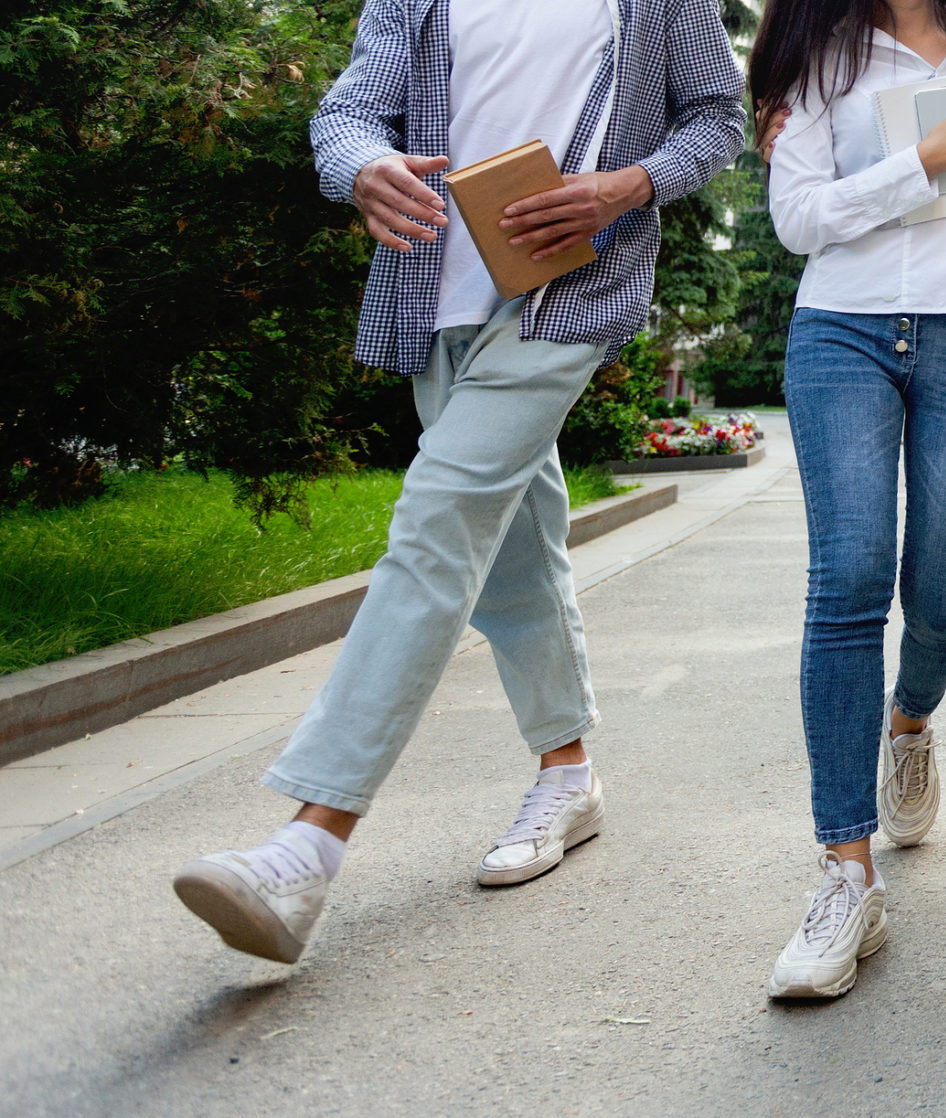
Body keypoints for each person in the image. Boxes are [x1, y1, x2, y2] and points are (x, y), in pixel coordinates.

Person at [169, 0, 745, 966]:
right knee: (514, 542)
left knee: (436, 529)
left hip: (571, 292)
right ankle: (569, 775)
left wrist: (626, 186)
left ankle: (309, 843)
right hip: (433, 301)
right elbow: (350, 110)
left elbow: (717, 118)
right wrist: (363, 166)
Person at [752, 0, 946, 997]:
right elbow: (797, 217)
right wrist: (919, 162)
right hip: (845, 329)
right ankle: (844, 873)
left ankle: (908, 719)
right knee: (849, 576)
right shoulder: (814, 55)